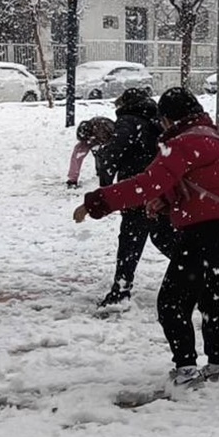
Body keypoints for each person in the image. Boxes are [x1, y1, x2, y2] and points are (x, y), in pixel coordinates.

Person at [73, 88, 219, 386]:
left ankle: (186, 369)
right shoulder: (216, 133)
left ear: (168, 118)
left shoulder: (185, 143)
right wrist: (169, 202)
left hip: (204, 232)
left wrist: (96, 202)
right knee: (215, 299)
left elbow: (147, 183)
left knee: (171, 303)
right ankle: (216, 363)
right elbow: (210, 181)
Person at [90, 89, 180, 309]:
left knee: (131, 240)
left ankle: (120, 290)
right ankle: (196, 272)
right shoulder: (156, 120)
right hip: (159, 188)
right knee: (163, 236)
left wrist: (106, 185)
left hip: (136, 190)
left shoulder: (127, 121)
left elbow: (113, 154)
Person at [66, 117, 115, 187]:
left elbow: (109, 145)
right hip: (96, 136)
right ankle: (73, 178)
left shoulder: (104, 128)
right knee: (78, 151)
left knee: (101, 153)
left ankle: (102, 172)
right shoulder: (88, 129)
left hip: (109, 139)